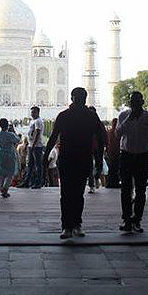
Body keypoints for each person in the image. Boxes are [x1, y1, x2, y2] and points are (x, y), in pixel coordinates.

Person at [43, 87, 107, 239]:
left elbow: (99, 139)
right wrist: (45, 155)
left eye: (81, 97)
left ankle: (75, 225)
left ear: (84, 98)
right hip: (68, 158)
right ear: (72, 98)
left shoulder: (90, 117)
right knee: (67, 194)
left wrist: (98, 162)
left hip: (81, 158)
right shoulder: (65, 116)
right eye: (77, 97)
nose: (79, 100)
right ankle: (67, 226)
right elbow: (53, 137)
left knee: (76, 194)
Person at [116, 91, 148, 233]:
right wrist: (129, 118)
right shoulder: (124, 116)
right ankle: (127, 219)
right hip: (127, 156)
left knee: (141, 190)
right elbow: (117, 133)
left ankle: (137, 219)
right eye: (132, 101)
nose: (135, 104)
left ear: (142, 102)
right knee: (125, 189)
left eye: (137, 101)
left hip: (142, 156)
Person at [0, 118, 20, 198]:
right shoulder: (10, 135)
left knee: (1, 173)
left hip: (1, 155)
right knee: (10, 173)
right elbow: (18, 140)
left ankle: (1, 188)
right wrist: (13, 131)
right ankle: (5, 188)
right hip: (10, 155)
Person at [26, 106, 45, 189]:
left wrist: (33, 144)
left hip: (36, 146)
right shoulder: (33, 121)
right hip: (32, 145)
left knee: (37, 165)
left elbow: (37, 133)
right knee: (30, 165)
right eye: (31, 112)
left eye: (34, 112)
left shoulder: (38, 121)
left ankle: (38, 182)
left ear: (38, 113)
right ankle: (27, 182)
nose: (32, 114)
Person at [105, 118, 120, 188]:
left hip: (111, 153)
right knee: (114, 168)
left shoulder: (109, 132)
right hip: (115, 153)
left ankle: (110, 183)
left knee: (111, 169)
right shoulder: (116, 132)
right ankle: (114, 182)